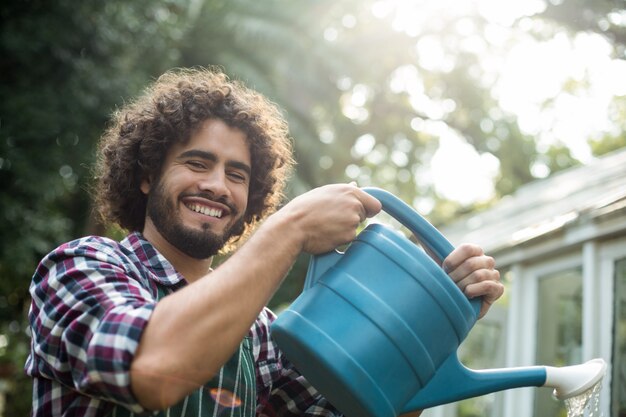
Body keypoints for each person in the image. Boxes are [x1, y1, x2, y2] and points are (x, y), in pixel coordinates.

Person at [25, 67, 504, 417]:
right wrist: (291, 226)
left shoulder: (260, 331)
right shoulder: (80, 267)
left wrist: (435, 317)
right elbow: (150, 368)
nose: (216, 185)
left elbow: (366, 408)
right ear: (147, 176)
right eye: (197, 163)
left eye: (237, 174)